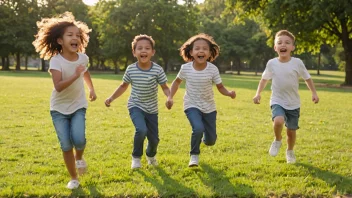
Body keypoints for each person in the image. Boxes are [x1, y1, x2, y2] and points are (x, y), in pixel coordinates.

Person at [32, 12, 97, 189]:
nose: (75, 38)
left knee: (79, 139)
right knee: (66, 144)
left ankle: (79, 157)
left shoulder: (83, 58)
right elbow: (59, 86)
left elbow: (85, 72)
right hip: (59, 108)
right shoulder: (56, 61)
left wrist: (91, 88)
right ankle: (74, 178)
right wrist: (76, 75)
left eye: (77, 35)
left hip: (78, 105)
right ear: (60, 41)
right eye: (70, 35)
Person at [166, 33, 236, 167]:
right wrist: (170, 96)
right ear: (191, 52)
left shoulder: (213, 69)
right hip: (191, 104)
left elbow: (220, 87)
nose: (201, 51)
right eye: (197, 48)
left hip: (209, 107)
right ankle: (194, 156)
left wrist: (229, 93)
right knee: (197, 128)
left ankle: (205, 139)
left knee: (211, 140)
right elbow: (176, 82)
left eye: (205, 48)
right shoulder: (185, 68)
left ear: (210, 53)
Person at [252, 30, 319, 164]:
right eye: (280, 42)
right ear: (275, 47)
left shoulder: (297, 63)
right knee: (278, 121)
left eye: (287, 43)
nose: (283, 45)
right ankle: (277, 140)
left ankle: (290, 151)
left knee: (291, 131)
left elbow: (307, 78)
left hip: (294, 103)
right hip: (277, 100)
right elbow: (264, 79)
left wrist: (314, 93)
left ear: (292, 47)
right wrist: (258, 93)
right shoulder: (272, 63)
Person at [105, 34, 170, 169]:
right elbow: (123, 86)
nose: (143, 51)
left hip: (152, 109)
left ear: (152, 52)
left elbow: (164, 87)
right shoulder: (131, 69)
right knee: (141, 130)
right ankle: (136, 157)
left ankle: (150, 155)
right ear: (134, 53)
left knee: (154, 139)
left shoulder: (157, 69)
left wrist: (169, 97)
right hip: (135, 105)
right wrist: (111, 98)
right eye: (139, 48)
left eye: (147, 48)